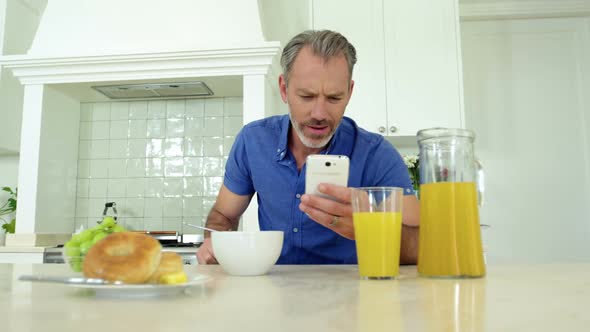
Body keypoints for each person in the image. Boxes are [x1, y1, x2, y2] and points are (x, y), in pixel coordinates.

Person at [197, 30, 420, 265]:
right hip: (273, 291)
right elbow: (223, 215)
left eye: (334, 98)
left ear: (349, 92)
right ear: (284, 89)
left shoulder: (377, 154)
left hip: (352, 295)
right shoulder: (253, 141)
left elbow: (420, 247)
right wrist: (216, 244)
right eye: (306, 96)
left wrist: (371, 225)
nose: (320, 114)